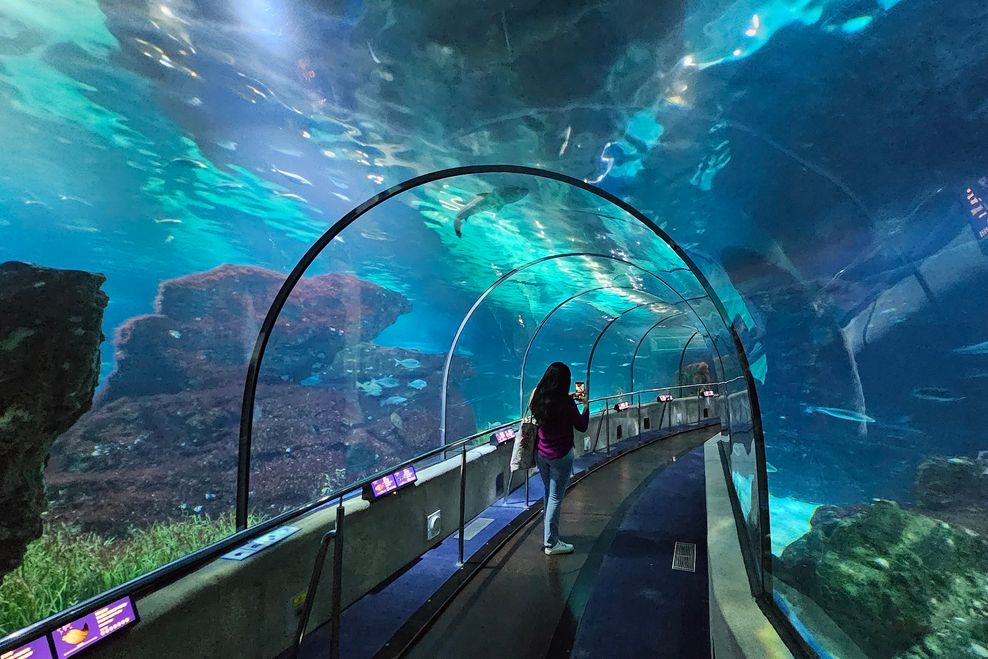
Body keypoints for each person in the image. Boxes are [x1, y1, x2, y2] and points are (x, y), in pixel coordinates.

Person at [530, 361, 589, 555]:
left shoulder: (538, 396)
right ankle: (551, 543)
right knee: (555, 497)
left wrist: (570, 399)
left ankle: (550, 536)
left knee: (549, 494)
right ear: (565, 381)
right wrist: (585, 406)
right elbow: (581, 425)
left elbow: (548, 408)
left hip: (541, 454)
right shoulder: (566, 403)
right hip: (561, 456)